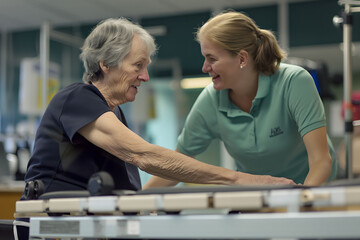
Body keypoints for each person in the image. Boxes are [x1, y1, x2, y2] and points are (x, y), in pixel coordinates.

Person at [14, 17, 295, 240]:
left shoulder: (113, 112)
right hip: (53, 225)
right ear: (106, 64)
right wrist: (237, 180)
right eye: (138, 65)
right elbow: (145, 156)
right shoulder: (77, 98)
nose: (145, 76)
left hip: (90, 224)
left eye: (146, 66)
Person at [144, 11, 338, 190]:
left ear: (242, 59)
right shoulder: (211, 100)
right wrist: (138, 200)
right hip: (256, 195)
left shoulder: (293, 82)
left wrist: (298, 204)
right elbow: (179, 163)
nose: (205, 67)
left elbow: (321, 161)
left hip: (312, 189)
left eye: (212, 59)